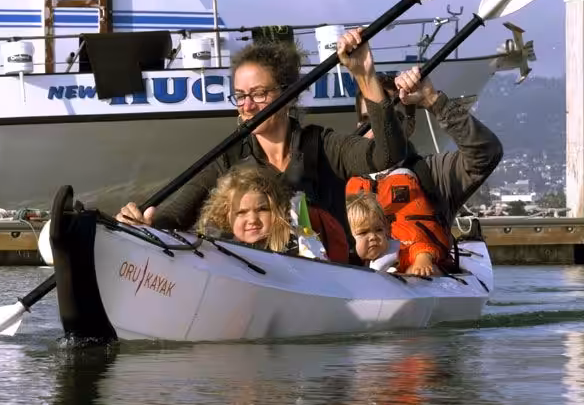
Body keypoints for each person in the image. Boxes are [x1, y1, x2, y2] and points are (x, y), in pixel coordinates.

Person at [116, 30, 402, 263]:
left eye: (259, 94)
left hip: (332, 281)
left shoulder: (323, 144)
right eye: (240, 96)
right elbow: (177, 214)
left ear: (287, 96)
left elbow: (387, 155)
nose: (248, 106)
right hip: (264, 281)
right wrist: (145, 224)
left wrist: (365, 76)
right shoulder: (229, 157)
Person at [347, 66, 503, 271]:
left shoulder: (436, 174)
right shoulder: (340, 176)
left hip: (421, 278)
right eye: (369, 120)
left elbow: (487, 153)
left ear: (410, 126)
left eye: (391, 121)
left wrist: (432, 100)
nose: (379, 130)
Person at [196, 164, 297, 253]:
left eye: (262, 209)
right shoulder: (214, 251)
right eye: (241, 212)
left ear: (276, 210)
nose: (253, 220)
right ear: (225, 215)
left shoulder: (296, 249)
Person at [346, 191, 402, 272]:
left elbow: (416, 250)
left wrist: (421, 258)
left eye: (379, 230)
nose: (373, 236)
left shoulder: (401, 254)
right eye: (363, 232)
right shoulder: (342, 264)